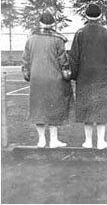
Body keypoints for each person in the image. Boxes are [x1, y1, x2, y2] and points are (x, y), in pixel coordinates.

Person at [69, 4, 107, 149]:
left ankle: (88, 141)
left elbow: (74, 57)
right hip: (104, 77)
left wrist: (74, 75)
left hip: (85, 77)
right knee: (102, 109)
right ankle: (101, 141)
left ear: (86, 16)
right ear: (100, 16)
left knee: (87, 109)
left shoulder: (79, 33)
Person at [21, 12, 72, 148]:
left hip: (37, 78)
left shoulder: (30, 39)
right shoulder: (58, 39)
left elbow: (25, 60)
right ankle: (54, 140)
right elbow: (63, 60)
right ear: (53, 23)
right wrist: (67, 74)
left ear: (40, 23)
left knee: (39, 109)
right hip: (54, 78)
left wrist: (27, 74)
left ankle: (41, 140)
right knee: (54, 108)